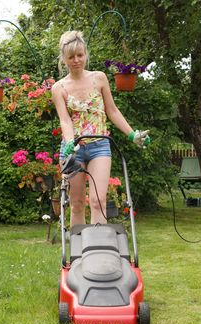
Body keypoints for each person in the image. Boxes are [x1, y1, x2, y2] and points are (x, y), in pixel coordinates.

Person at [51, 30, 149, 226]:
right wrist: (70, 143)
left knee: (98, 202)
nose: (76, 60)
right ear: (64, 59)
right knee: (77, 203)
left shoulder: (99, 78)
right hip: (74, 150)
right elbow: (65, 120)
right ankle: (77, 254)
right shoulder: (59, 88)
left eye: (80, 55)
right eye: (71, 57)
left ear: (86, 54)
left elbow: (112, 111)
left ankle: (99, 251)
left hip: (100, 146)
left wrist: (132, 134)